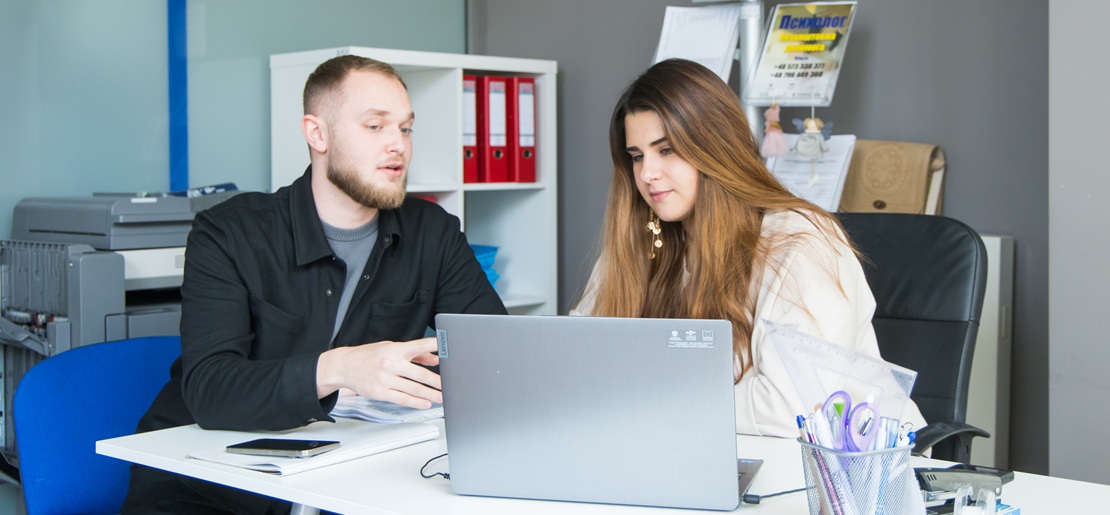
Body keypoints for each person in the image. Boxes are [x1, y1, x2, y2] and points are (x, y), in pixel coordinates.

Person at [122, 55, 507, 514]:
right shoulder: (229, 233)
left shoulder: (433, 231)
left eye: (405, 128)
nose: (398, 146)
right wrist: (343, 368)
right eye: (374, 127)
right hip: (207, 483)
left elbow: (492, 357)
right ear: (316, 133)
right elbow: (209, 388)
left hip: (346, 475)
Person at [571, 58, 925, 439]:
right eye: (637, 156)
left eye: (667, 150)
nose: (647, 174)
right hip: (696, 457)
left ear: (715, 148)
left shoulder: (800, 241)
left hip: (851, 476)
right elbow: (577, 357)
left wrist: (645, 403)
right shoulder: (645, 238)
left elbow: (790, 409)